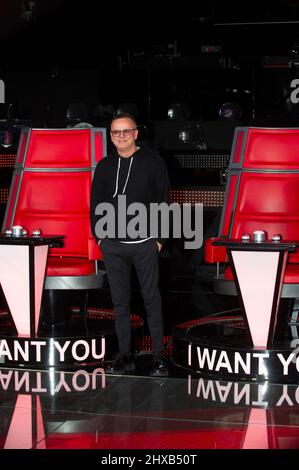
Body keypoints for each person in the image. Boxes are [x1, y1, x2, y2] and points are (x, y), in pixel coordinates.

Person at [90, 113, 170, 376]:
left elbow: (163, 202)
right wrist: (100, 237)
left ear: (136, 133)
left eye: (126, 131)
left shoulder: (153, 163)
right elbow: (95, 205)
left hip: (145, 243)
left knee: (151, 300)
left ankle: (159, 357)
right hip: (113, 245)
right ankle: (125, 355)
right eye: (116, 132)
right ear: (111, 136)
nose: (121, 136)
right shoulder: (103, 166)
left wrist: (158, 240)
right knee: (120, 303)